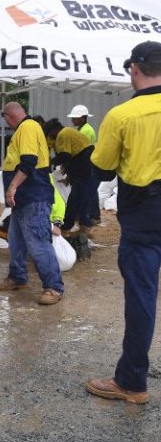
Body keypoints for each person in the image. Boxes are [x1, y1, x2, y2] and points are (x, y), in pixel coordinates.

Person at [85, 40, 161, 405]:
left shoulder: (122, 115)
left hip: (145, 213)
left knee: (142, 297)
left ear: (134, 69)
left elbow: (102, 167)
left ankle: (132, 381)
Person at [0, 101, 64, 305]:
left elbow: (29, 161)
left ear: (8, 117)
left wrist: (13, 185)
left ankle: (54, 287)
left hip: (33, 195)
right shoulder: (27, 128)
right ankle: (17, 276)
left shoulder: (27, 128)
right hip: (24, 199)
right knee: (16, 241)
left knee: (38, 243)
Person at [42, 118, 98, 238]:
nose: (49, 138)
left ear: (53, 131)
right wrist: (68, 176)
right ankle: (84, 227)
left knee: (76, 198)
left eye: (49, 134)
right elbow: (70, 157)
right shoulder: (66, 133)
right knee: (80, 197)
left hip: (85, 164)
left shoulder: (63, 134)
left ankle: (72, 227)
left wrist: (50, 162)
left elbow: (65, 156)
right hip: (84, 165)